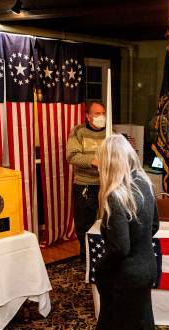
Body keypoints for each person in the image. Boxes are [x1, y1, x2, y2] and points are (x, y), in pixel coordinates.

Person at [83, 134, 169, 330]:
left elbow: (120, 247)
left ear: (110, 161)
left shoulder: (115, 196)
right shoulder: (144, 184)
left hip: (124, 278)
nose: (96, 163)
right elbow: (154, 226)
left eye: (100, 158)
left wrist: (99, 267)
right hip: (145, 270)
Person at [66, 101, 107, 261]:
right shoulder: (78, 132)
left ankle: (104, 256)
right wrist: (94, 161)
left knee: (107, 222)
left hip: (106, 185)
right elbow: (72, 156)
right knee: (85, 224)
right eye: (97, 114)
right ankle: (87, 258)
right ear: (88, 116)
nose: (101, 117)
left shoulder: (111, 132)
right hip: (85, 185)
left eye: (103, 113)